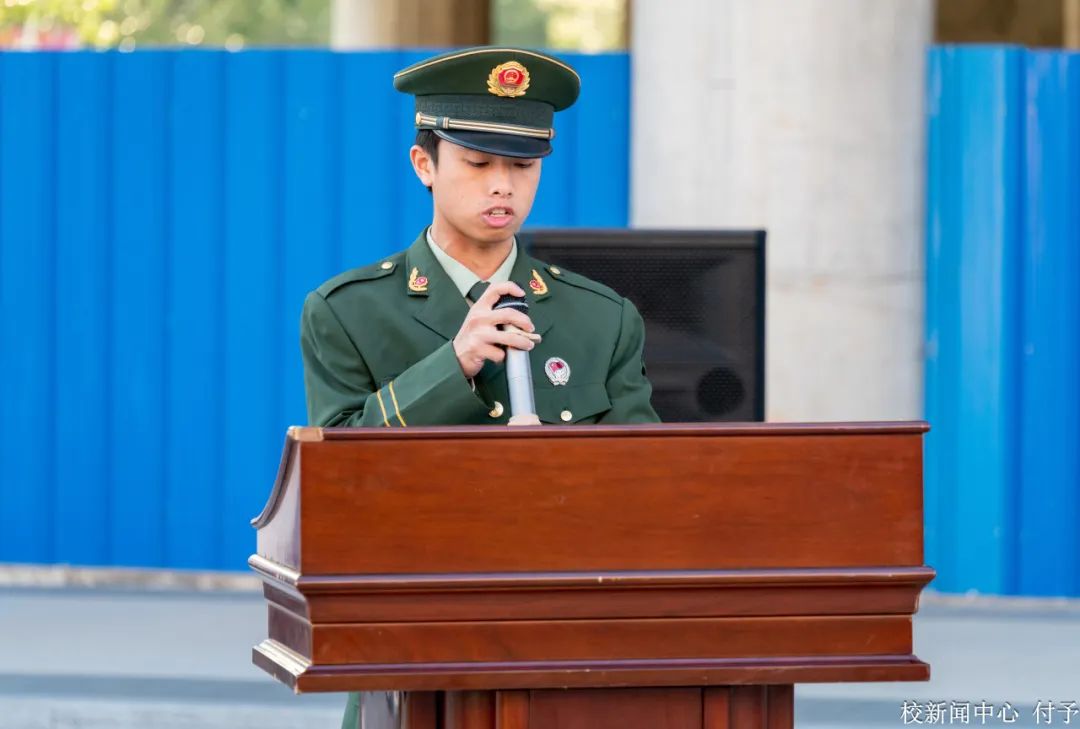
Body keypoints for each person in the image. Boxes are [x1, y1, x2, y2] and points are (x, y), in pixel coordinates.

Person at [297, 45, 659, 729]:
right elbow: (337, 479)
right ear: (424, 165)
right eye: (478, 163)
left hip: (566, 647)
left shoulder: (602, 317)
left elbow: (647, 488)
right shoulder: (347, 311)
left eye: (522, 166)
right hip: (413, 643)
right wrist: (453, 364)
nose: (503, 187)